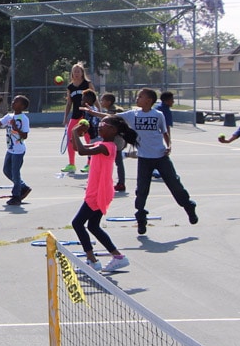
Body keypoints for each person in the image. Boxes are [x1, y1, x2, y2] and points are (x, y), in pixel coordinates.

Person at [87, 88, 198, 234]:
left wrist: (169, 145)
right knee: (141, 191)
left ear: (149, 100)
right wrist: (93, 112)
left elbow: (164, 132)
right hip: (144, 159)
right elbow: (111, 116)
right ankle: (141, 218)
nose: (137, 98)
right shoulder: (133, 114)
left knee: (174, 184)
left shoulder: (158, 115)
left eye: (140, 96)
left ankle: (188, 206)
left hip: (161, 157)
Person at [70, 115, 138, 272]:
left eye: (104, 124)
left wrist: (74, 131)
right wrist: (77, 134)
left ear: (113, 130)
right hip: (98, 190)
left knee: (77, 223)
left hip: (98, 192)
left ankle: (92, 261)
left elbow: (82, 151)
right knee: (93, 226)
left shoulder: (108, 146)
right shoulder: (101, 144)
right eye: (100, 123)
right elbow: (78, 148)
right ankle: (118, 257)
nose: (100, 126)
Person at [0, 95, 31, 206]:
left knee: (15, 173)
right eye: (13, 101)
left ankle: (16, 196)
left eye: (16, 102)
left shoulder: (24, 119)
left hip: (18, 150)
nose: (13, 102)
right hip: (10, 149)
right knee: (6, 171)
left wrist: (16, 128)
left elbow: (25, 136)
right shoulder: (9, 116)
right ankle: (23, 187)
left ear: (22, 106)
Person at [62, 63, 93, 173]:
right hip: (75, 115)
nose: (76, 73)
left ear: (82, 73)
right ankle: (71, 164)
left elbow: (94, 99)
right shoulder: (70, 87)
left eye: (78, 71)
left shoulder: (87, 84)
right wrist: (65, 117)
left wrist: (98, 111)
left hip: (87, 115)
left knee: (89, 139)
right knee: (71, 139)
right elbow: (69, 103)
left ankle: (90, 164)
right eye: (74, 71)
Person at [100, 93, 127, 192]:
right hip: (118, 140)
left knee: (112, 162)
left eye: (102, 100)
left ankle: (117, 183)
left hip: (115, 141)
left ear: (109, 102)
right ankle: (120, 182)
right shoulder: (115, 110)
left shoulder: (114, 111)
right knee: (117, 163)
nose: (101, 102)